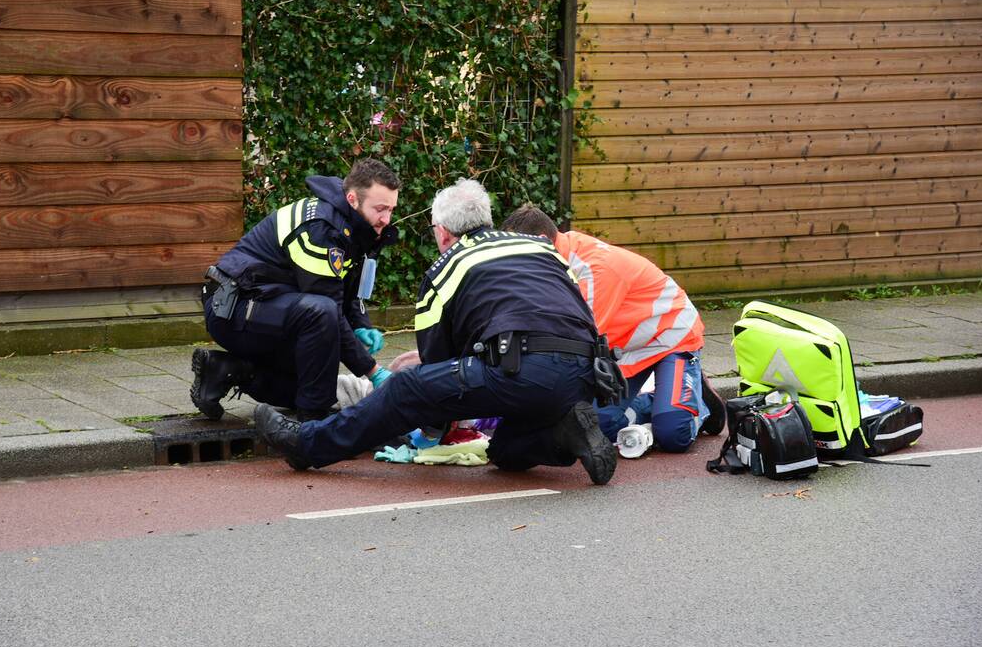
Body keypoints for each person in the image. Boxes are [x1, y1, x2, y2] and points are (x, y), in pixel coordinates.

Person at [254, 178, 619, 485]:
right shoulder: (545, 249)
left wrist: (427, 432)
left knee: (405, 388)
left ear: (443, 232)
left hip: (519, 370)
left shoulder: (449, 263)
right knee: (505, 451)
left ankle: (307, 445)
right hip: (585, 374)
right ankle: (566, 433)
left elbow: (436, 371)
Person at [501, 204, 726, 453]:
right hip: (624, 347)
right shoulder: (554, 258)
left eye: (518, 253)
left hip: (670, 339)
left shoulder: (594, 269)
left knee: (674, 434)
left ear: (542, 241)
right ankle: (667, 399)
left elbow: (579, 341)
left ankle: (700, 406)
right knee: (598, 425)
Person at [190, 158, 400, 422]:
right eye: (380, 209)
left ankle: (226, 369)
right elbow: (328, 307)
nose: (386, 219)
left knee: (304, 386)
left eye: (391, 209)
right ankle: (314, 425)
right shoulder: (322, 230)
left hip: (269, 305)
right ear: (352, 199)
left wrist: (361, 323)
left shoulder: (356, 226)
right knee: (321, 317)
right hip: (232, 309)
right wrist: (372, 371)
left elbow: (347, 288)